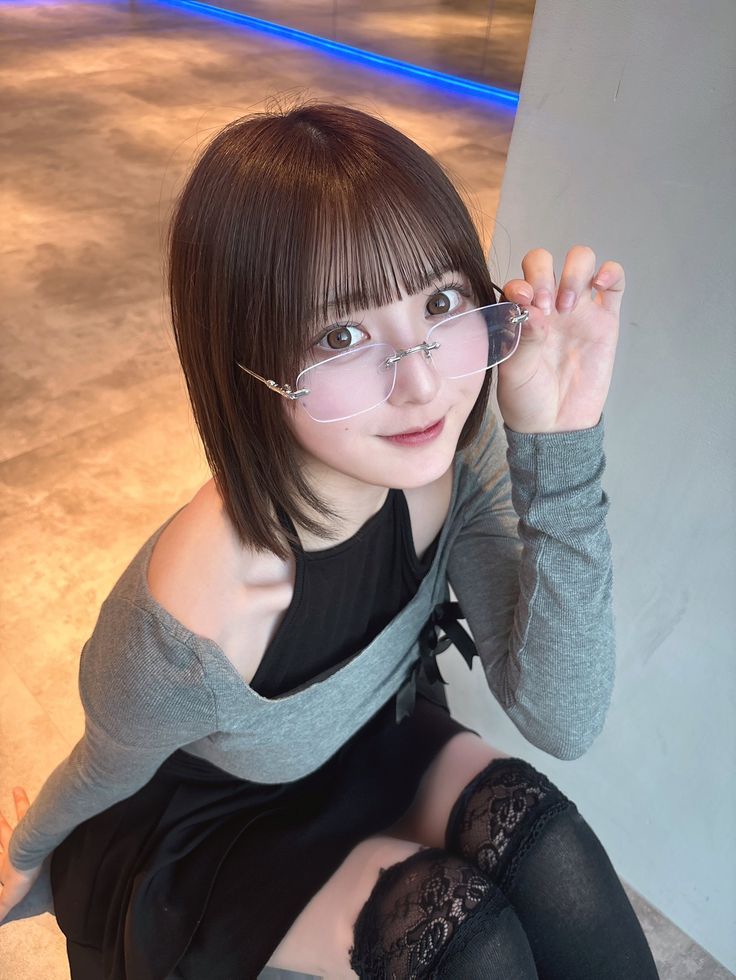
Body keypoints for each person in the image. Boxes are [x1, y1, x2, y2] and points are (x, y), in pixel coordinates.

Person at [0, 101, 659, 979]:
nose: (422, 384)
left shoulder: (456, 463)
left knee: (557, 858)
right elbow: (105, 768)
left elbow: (561, 717)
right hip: (223, 830)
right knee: (468, 940)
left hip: (379, 741)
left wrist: (560, 440)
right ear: (245, 365)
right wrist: (22, 859)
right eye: (343, 335)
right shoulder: (188, 621)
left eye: (441, 301)